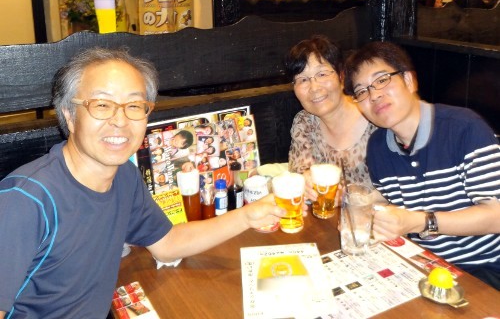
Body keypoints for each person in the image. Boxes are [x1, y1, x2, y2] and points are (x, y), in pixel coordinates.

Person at [0, 47, 287, 318]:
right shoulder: (24, 201)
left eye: (134, 105)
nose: (120, 120)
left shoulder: (124, 176)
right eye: (102, 105)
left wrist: (248, 215)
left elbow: (168, 243)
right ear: (70, 116)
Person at [343, 41, 500, 289]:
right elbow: (393, 194)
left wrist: (421, 222)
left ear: (409, 80)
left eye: (382, 80)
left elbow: (496, 216)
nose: (374, 95)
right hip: (423, 264)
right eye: (361, 91)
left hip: (485, 267)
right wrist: (358, 204)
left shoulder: (464, 128)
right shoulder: (377, 146)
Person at [284, 35, 377, 189]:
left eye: (322, 74)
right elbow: (301, 173)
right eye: (303, 80)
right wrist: (305, 181)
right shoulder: (305, 123)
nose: (314, 88)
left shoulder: (375, 118)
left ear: (341, 76)